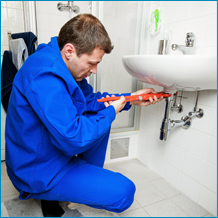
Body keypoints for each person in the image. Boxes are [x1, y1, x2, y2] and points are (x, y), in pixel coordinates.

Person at [5, 13, 163, 217]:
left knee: (100, 118)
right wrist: (111, 111)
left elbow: (92, 101)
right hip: (37, 169)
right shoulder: (44, 75)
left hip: (51, 152)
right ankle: (48, 191)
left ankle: (77, 181)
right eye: (91, 63)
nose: (94, 70)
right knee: (124, 193)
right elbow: (73, 138)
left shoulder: (63, 63)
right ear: (70, 50)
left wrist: (131, 98)